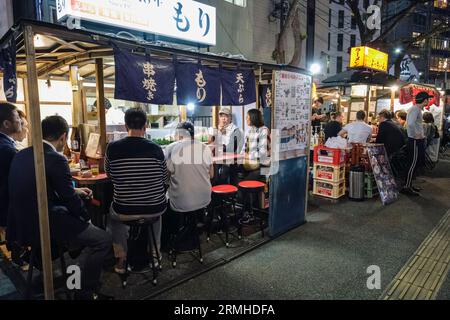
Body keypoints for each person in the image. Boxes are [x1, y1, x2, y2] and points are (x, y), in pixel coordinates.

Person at [7, 115, 112, 300]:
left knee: (80, 235)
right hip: (46, 224)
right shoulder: (55, 158)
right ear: (63, 137)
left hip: (21, 226)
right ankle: (85, 292)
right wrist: (86, 219)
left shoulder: (21, 154)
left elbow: (40, 189)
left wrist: (76, 193)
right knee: (102, 240)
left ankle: (73, 255)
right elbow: (69, 200)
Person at [105, 108, 168, 273]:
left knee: (112, 214)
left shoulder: (112, 148)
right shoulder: (156, 149)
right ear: (145, 126)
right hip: (154, 209)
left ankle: (121, 259)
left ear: (126, 126)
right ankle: (155, 256)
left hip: (125, 210)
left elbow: (109, 175)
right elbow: (164, 178)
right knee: (157, 211)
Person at [164, 121, 213, 250]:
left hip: (182, 201)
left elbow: (166, 177)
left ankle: (173, 239)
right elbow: (211, 174)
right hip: (204, 199)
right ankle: (192, 229)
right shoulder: (205, 147)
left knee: (164, 199)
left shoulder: (171, 148)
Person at [0, 103, 21, 241]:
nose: (21, 120)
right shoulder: (6, 149)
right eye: (17, 117)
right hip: (7, 208)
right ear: (7, 123)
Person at [402, 91, 430, 196]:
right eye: (427, 99)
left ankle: (409, 185)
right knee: (412, 163)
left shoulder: (416, 109)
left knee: (414, 163)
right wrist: (415, 135)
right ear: (425, 100)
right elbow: (410, 124)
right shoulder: (415, 109)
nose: (428, 101)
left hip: (415, 140)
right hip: (414, 140)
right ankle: (406, 187)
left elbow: (411, 124)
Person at [210, 106, 243, 185]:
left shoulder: (236, 130)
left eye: (226, 116)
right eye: (221, 116)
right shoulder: (216, 129)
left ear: (230, 118)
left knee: (222, 172)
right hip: (219, 158)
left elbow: (230, 149)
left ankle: (225, 193)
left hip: (232, 160)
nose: (223, 119)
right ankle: (214, 192)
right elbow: (211, 144)